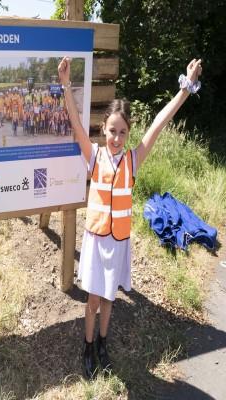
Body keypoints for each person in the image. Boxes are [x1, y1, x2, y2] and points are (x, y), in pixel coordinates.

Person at [58, 57, 202, 378]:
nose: (117, 138)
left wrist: (185, 90)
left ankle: (104, 344)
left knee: (109, 297)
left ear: (128, 133)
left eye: (123, 132)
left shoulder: (134, 160)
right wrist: (66, 84)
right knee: (93, 299)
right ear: (104, 129)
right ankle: (88, 345)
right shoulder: (94, 157)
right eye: (112, 131)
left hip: (119, 240)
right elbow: (75, 123)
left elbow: (159, 124)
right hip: (96, 240)